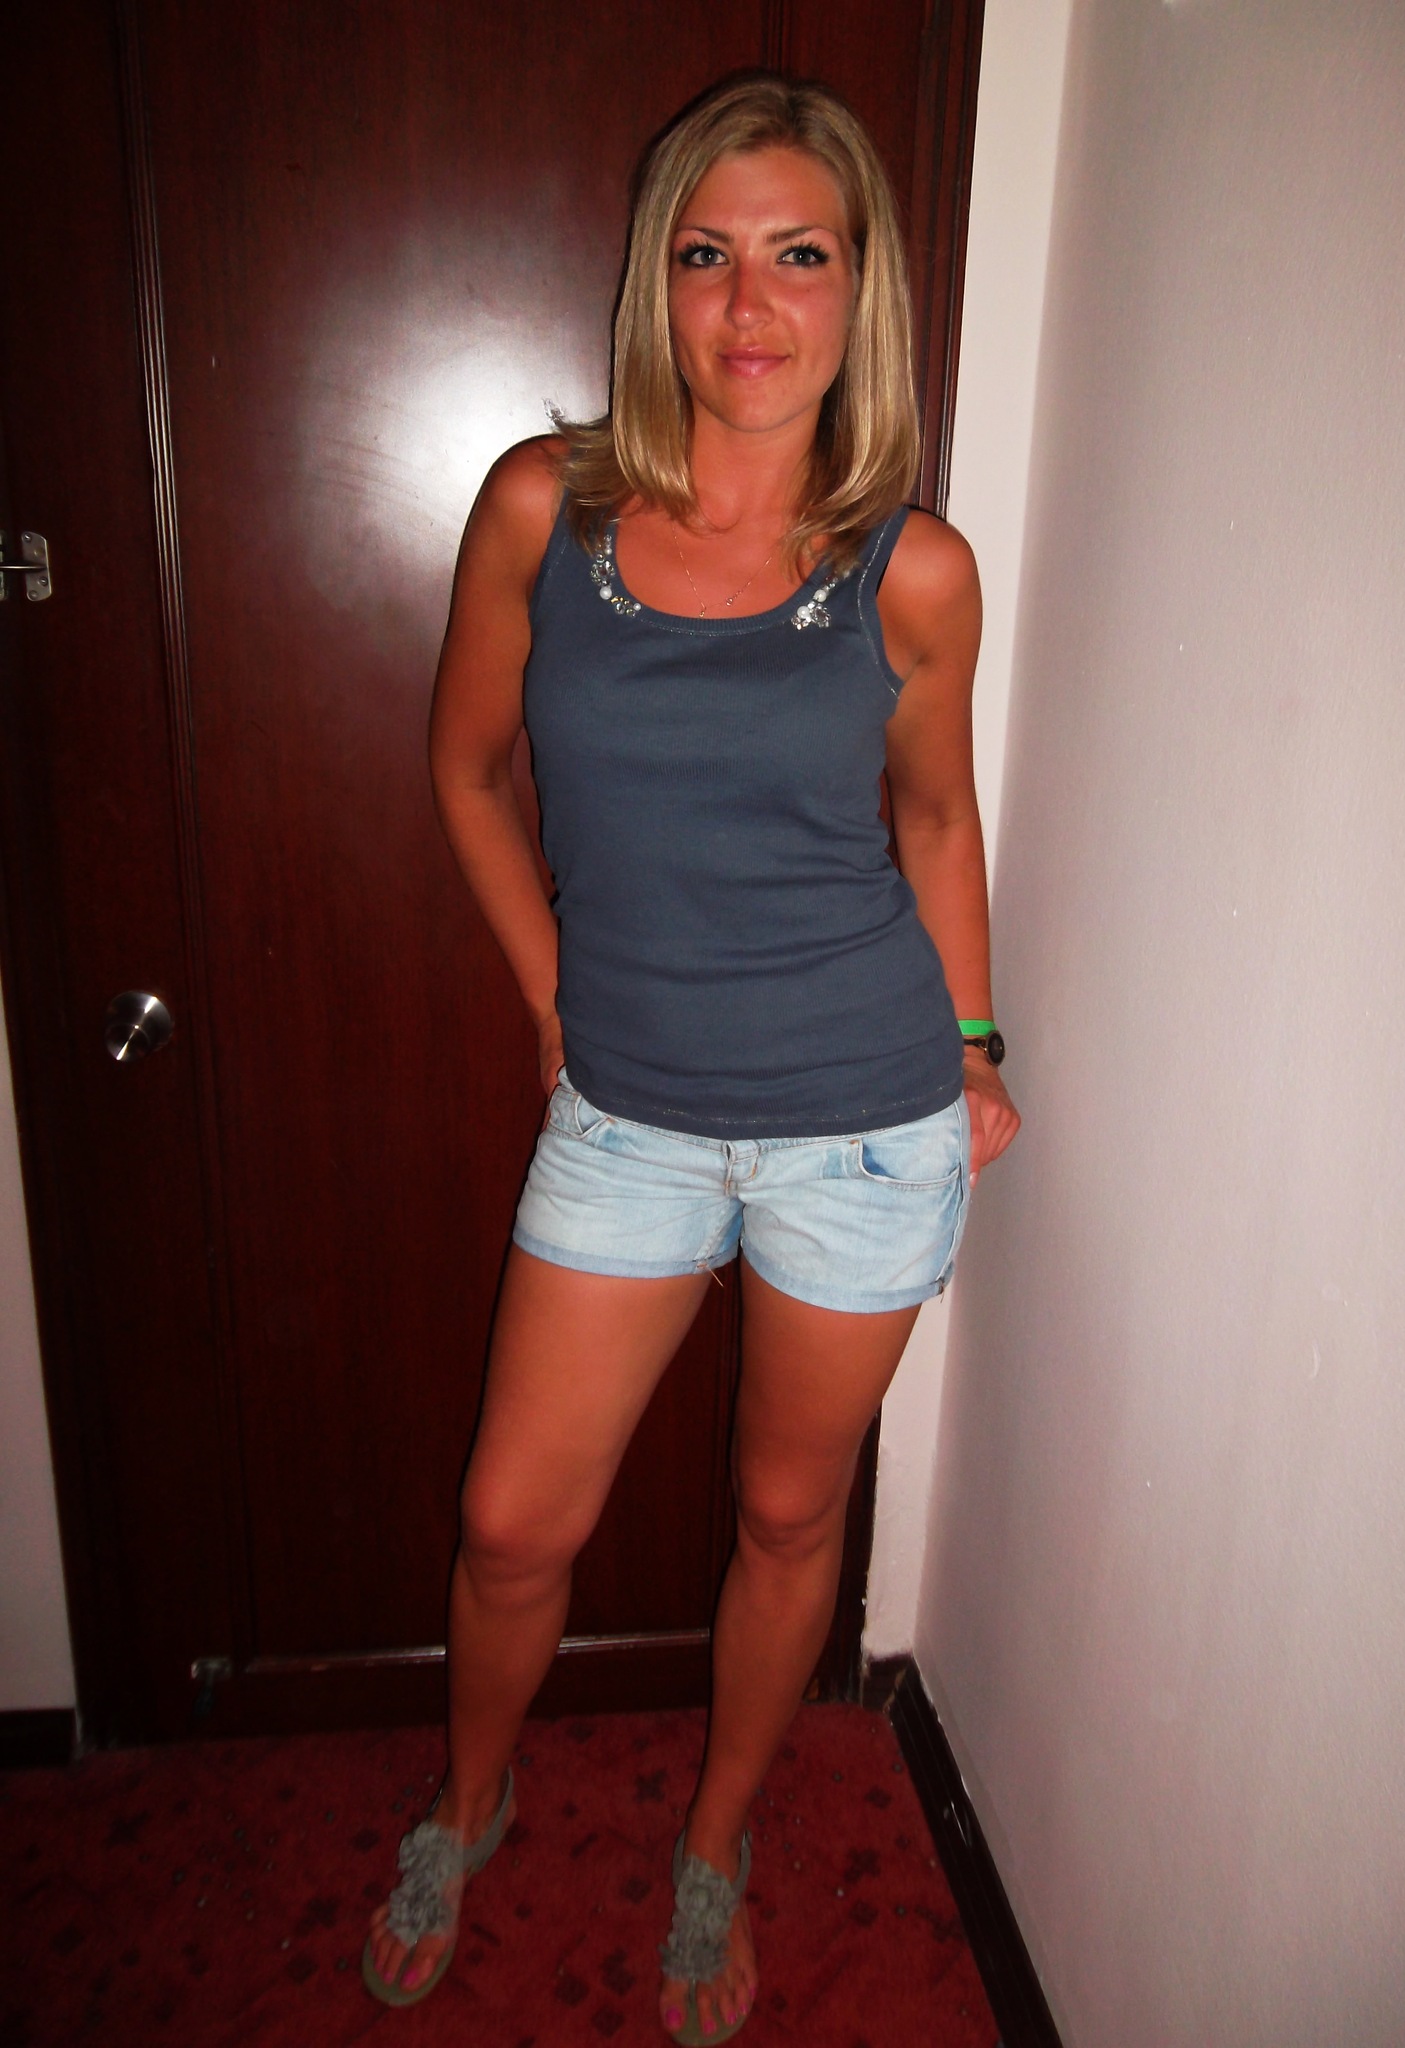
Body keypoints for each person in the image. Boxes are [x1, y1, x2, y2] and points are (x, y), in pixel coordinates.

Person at [361, 70, 1018, 2045]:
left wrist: (978, 1046)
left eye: (798, 253)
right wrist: (553, 989)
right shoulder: (542, 509)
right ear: (657, 278)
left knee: (791, 1520)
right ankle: (467, 1803)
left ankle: (716, 1841)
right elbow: (464, 769)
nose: (750, 301)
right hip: (627, 1118)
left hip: (864, 1122)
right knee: (511, 1523)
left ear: (857, 290)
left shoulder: (912, 570)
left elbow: (935, 820)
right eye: (708, 252)